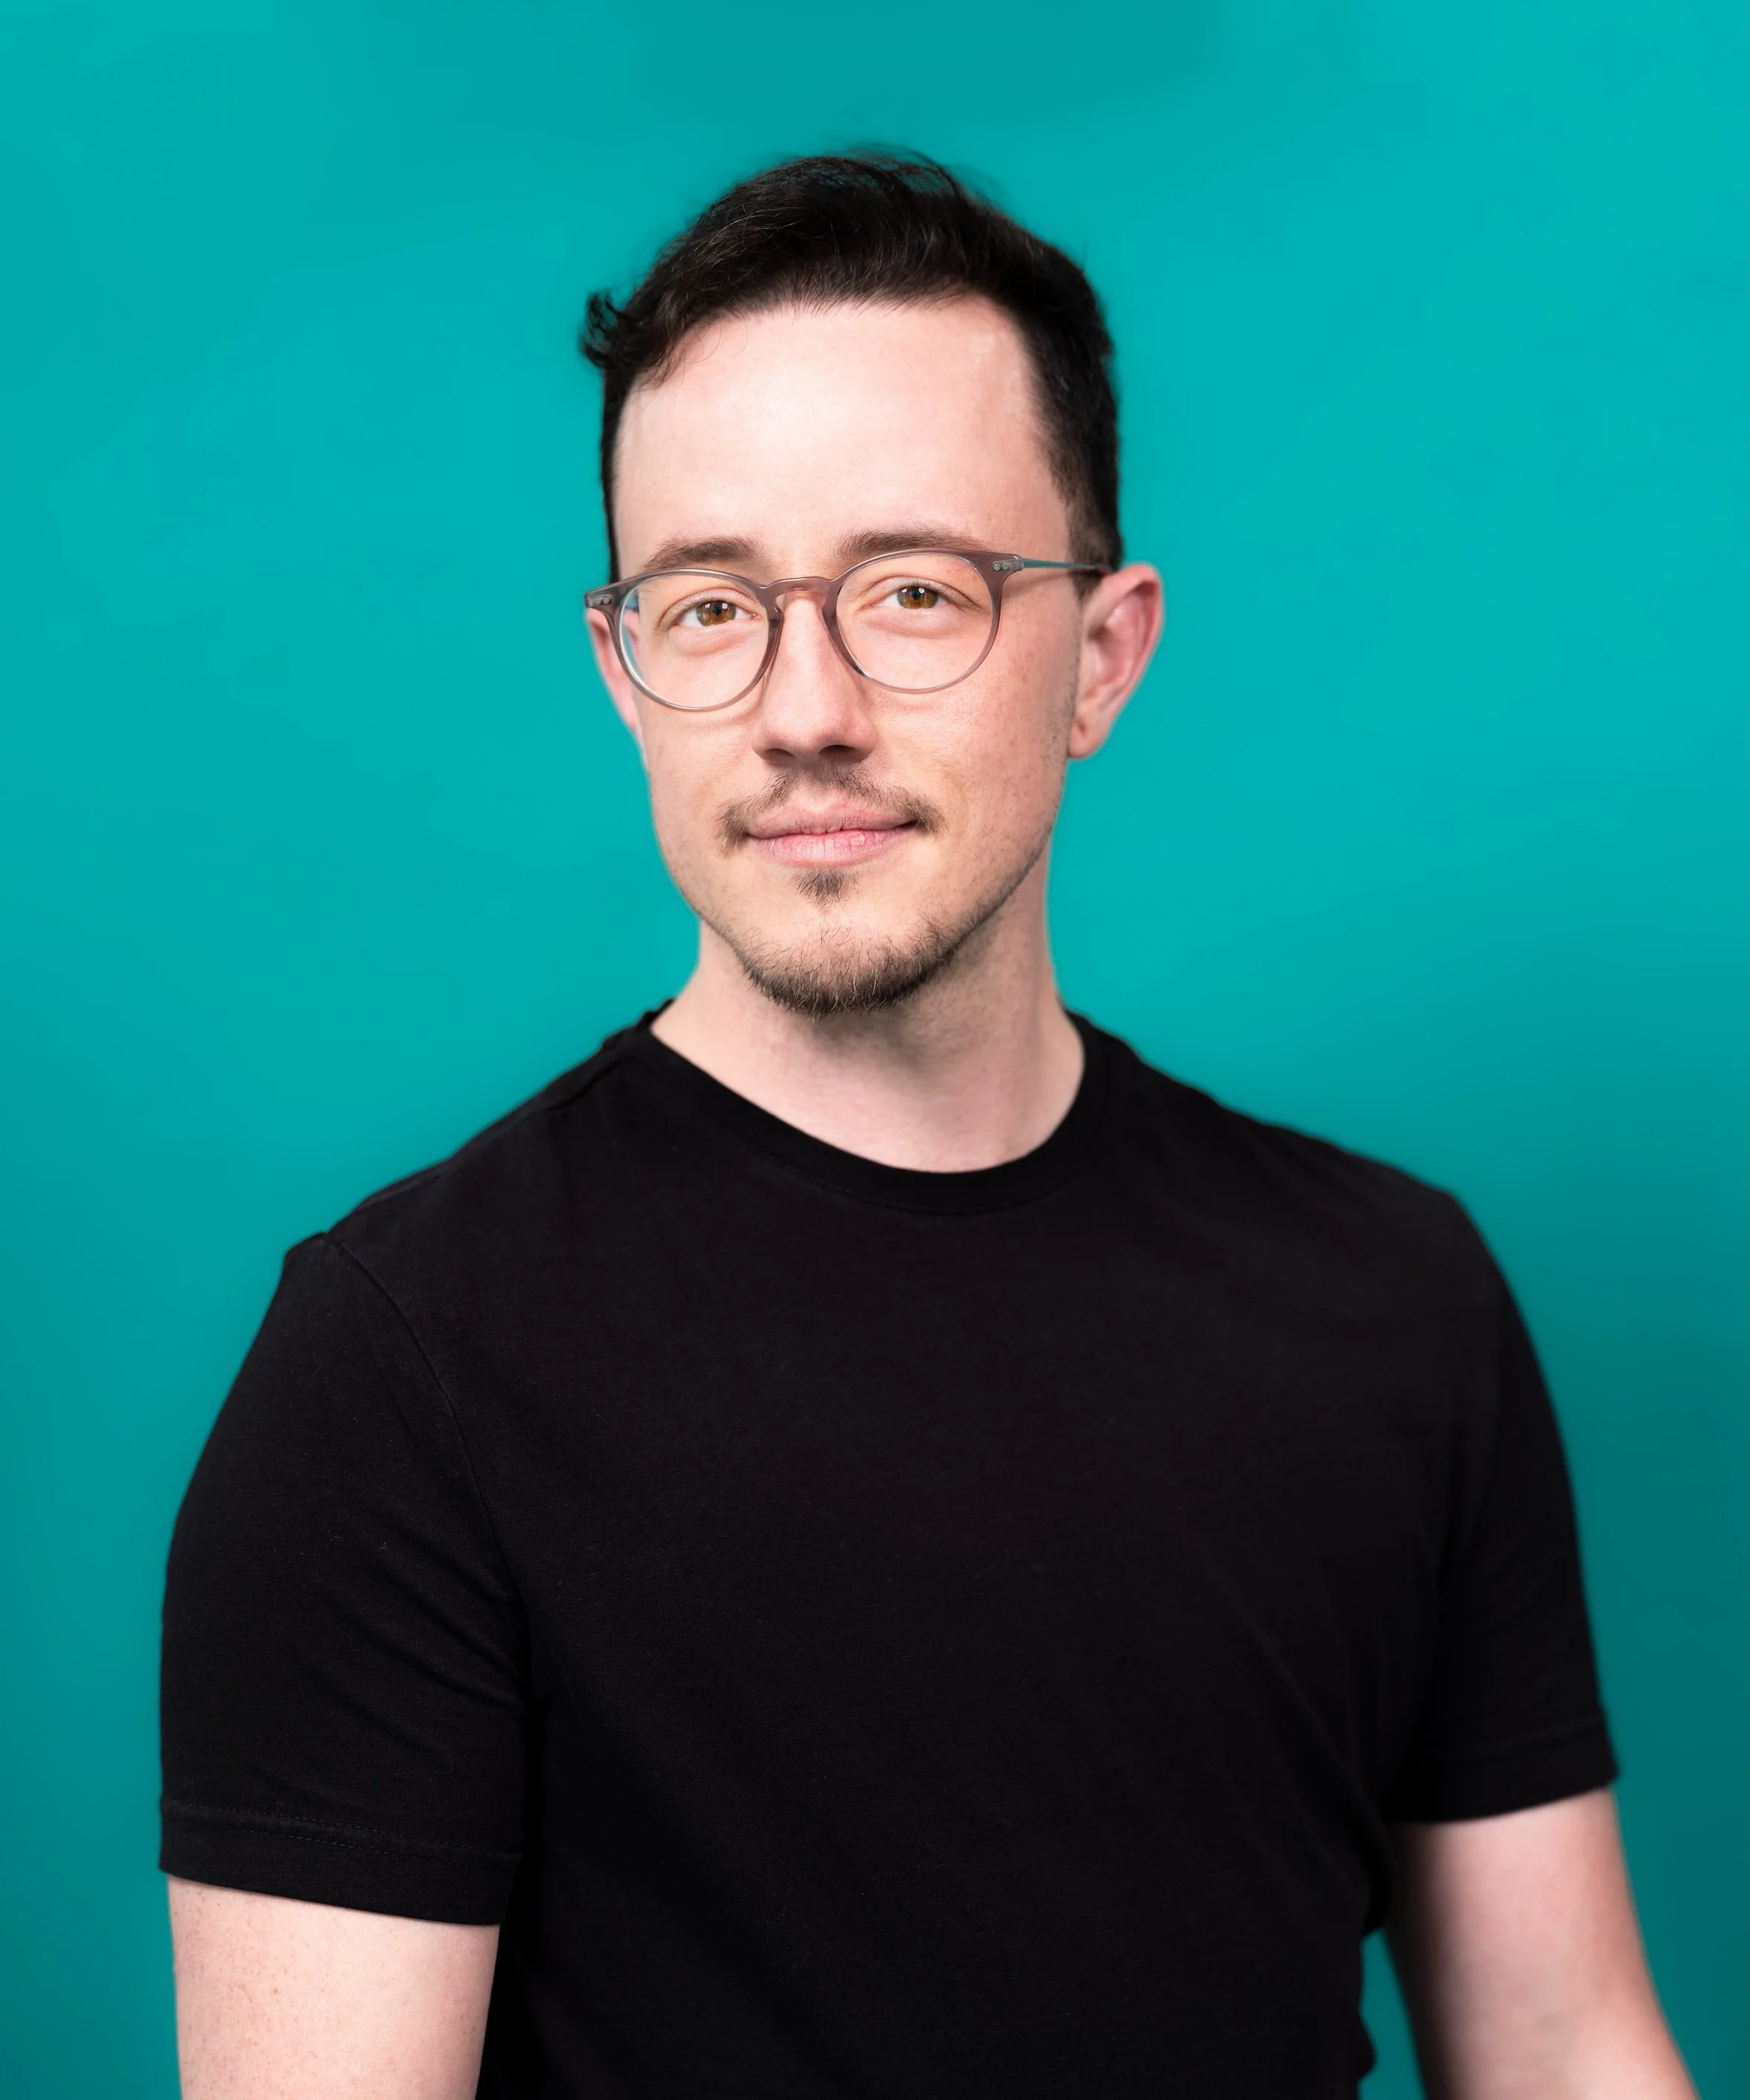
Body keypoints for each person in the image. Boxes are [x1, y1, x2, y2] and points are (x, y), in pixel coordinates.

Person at [160, 153, 1693, 2099]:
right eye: (707, 604)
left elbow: (1559, 2047)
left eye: (912, 591)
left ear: (1102, 655)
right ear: (626, 674)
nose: (803, 705)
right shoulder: (396, 1364)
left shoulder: (1391, 1300)